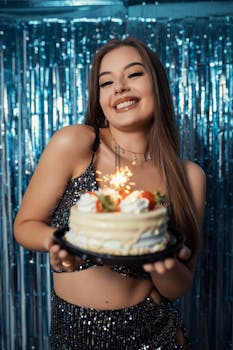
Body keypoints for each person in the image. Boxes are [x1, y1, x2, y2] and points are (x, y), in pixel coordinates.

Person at [14, 37, 206, 349]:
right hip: (73, 337)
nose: (119, 88)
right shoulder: (76, 143)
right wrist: (60, 243)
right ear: (100, 98)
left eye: (133, 74)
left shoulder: (189, 176)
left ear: (157, 84)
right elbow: (24, 226)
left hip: (156, 336)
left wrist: (165, 265)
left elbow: (177, 287)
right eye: (106, 82)